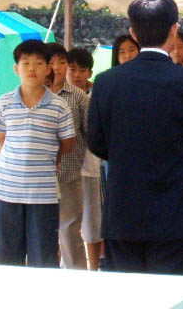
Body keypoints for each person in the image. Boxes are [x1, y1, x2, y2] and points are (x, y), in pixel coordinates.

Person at [87, 0, 183, 275]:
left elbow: (96, 142)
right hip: (173, 208)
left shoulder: (106, 82)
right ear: (174, 29)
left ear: (132, 33)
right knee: (170, 292)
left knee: (127, 292)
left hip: (123, 206)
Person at [0, 40, 75, 267]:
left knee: (43, 257)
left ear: (48, 68)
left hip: (43, 192)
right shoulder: (4, 102)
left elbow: (67, 144)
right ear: (16, 69)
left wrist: (47, 158)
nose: (32, 68)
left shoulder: (59, 106)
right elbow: (1, 139)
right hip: (6, 190)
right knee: (7, 257)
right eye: (26, 63)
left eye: (38, 63)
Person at [47, 42, 90, 270]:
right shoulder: (30, 94)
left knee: (70, 230)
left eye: (62, 62)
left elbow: (91, 133)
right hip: (36, 178)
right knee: (41, 233)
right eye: (51, 62)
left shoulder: (79, 97)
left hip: (69, 174)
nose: (56, 67)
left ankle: (77, 279)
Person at [67, 47, 103, 272]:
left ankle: (94, 269)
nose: (77, 74)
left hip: (92, 166)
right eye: (72, 69)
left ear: (90, 73)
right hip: (66, 170)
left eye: (82, 70)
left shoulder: (96, 96)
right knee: (65, 223)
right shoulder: (58, 96)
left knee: (92, 224)